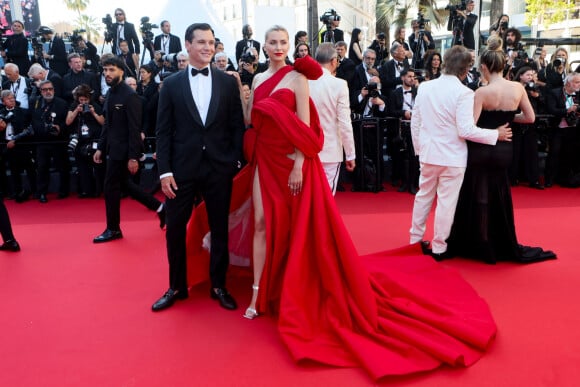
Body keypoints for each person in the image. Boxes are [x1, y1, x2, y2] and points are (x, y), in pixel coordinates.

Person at [186, 25, 498, 380]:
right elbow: (250, 121)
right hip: (264, 161)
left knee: (293, 228)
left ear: (291, 47)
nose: (277, 47)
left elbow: (306, 126)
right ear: (262, 46)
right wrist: (244, 97)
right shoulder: (257, 80)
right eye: (271, 43)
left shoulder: (298, 78)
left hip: (291, 162)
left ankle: (291, 288)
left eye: (283, 43)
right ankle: (258, 295)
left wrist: (301, 164)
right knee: (260, 224)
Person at [151, 23, 245, 312]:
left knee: (219, 228)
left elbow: (236, 127)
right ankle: (176, 286)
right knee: (175, 229)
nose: (208, 47)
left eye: (211, 42)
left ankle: (219, 284)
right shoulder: (171, 84)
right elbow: (163, 131)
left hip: (218, 169)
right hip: (180, 171)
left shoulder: (229, 82)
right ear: (188, 46)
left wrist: (233, 161)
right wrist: (165, 171)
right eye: (201, 42)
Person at [446, 38, 556, 264]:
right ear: (504, 65)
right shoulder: (517, 88)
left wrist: (492, 126)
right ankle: (499, 241)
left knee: (479, 193)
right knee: (500, 192)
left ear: (484, 67)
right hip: (505, 147)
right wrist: (507, 119)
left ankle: (482, 242)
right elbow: (530, 118)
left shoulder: (480, 93)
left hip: (482, 149)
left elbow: (471, 126)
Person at [410, 44, 512, 260]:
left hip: (429, 153)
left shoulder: (425, 88)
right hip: (453, 157)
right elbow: (465, 130)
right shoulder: (464, 93)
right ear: (466, 71)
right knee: (446, 202)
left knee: (423, 196)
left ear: (444, 63)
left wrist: (419, 148)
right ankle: (439, 247)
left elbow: (415, 122)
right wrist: (495, 134)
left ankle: (414, 241)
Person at [92, 56, 166, 243]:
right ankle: (161, 209)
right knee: (125, 186)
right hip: (112, 149)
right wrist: (101, 147)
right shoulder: (110, 93)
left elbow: (135, 128)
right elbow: (107, 124)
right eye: (105, 70)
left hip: (124, 151)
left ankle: (113, 229)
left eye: (111, 70)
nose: (107, 74)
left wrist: (134, 157)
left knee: (110, 188)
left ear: (121, 71)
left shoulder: (129, 95)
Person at [308, 43, 355, 195]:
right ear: (334, 61)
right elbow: (344, 122)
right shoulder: (340, 84)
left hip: (307, 149)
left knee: (309, 196)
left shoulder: (304, 81)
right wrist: (350, 154)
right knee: (326, 197)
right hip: (330, 150)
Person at [30, 80, 70, 203]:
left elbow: (67, 122)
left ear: (54, 90)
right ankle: (41, 192)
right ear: (40, 91)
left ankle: (64, 191)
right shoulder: (35, 102)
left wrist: (60, 128)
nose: (48, 91)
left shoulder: (62, 103)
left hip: (58, 141)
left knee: (62, 166)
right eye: (45, 89)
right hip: (42, 141)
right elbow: (33, 120)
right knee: (42, 167)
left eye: (50, 89)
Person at [65, 84, 104, 198]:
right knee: (82, 167)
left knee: (97, 166)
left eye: (85, 100)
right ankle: (86, 190)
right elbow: (68, 121)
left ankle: (99, 189)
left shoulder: (95, 106)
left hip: (94, 139)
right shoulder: (74, 106)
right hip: (79, 140)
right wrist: (77, 111)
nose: (83, 102)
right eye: (81, 100)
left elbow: (103, 122)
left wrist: (93, 113)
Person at [544, 72, 580, 188]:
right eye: (576, 82)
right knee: (554, 153)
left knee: (570, 153)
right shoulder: (555, 93)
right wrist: (567, 110)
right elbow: (551, 110)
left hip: (573, 129)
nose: (579, 84)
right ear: (568, 83)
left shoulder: (578, 95)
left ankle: (565, 177)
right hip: (557, 128)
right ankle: (549, 179)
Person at [510, 66, 543, 189]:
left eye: (532, 75)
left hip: (531, 124)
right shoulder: (514, 88)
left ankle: (533, 180)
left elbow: (543, 103)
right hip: (516, 123)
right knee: (515, 151)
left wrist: (537, 96)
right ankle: (512, 178)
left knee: (531, 152)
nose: (530, 77)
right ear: (520, 76)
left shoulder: (536, 88)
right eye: (528, 75)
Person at [0, 90, 35, 203]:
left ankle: (35, 191)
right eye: (8, 98)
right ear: (3, 101)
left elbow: (28, 130)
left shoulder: (23, 112)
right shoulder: (1, 113)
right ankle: (15, 192)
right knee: (13, 170)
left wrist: (15, 140)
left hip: (22, 145)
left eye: (13, 97)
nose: (12, 100)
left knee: (30, 169)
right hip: (6, 145)